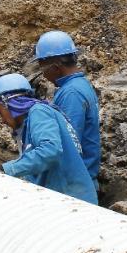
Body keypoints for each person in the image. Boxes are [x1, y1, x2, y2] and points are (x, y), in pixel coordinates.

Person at [0, 73, 97, 204]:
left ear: (9, 103)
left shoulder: (39, 112)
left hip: (73, 202)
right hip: (65, 199)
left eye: (0, 112)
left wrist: (6, 169)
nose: (2, 120)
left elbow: (50, 150)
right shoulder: (31, 123)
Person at [32, 30, 101, 188]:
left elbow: (68, 143)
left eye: (43, 68)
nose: (42, 74)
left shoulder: (72, 93)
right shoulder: (78, 86)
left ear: (55, 67)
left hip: (74, 183)